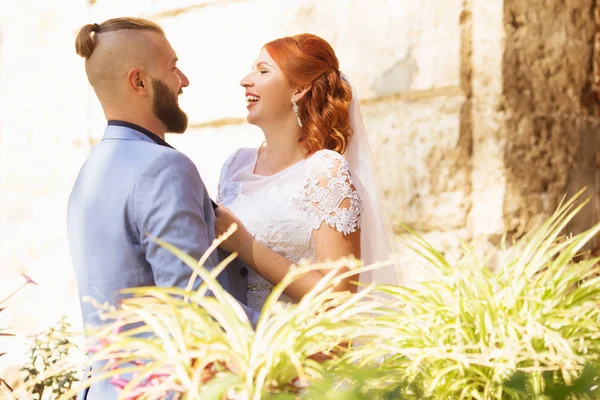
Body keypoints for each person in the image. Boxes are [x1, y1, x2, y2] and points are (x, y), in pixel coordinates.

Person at [67, 17, 256, 399]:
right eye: (172, 68)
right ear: (139, 81)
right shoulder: (164, 168)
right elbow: (194, 305)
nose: (183, 80)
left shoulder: (87, 174)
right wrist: (297, 334)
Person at [215, 34, 401, 313]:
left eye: (263, 71)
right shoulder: (234, 165)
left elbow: (339, 297)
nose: (245, 80)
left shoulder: (325, 171)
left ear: (299, 88)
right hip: (235, 342)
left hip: (297, 345)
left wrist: (245, 244)